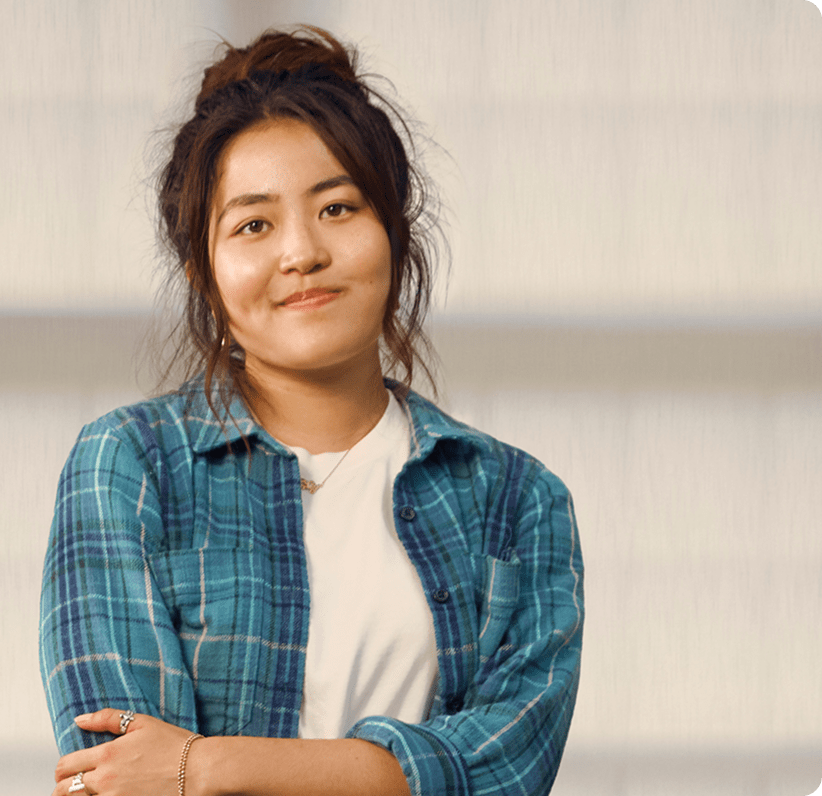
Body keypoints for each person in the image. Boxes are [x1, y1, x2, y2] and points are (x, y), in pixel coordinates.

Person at [40, 25, 583, 796]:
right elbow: (119, 776)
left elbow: (503, 769)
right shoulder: (129, 465)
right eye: (253, 224)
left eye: (337, 208)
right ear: (206, 275)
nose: (301, 252)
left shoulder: (517, 499)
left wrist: (207, 762)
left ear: (394, 232)